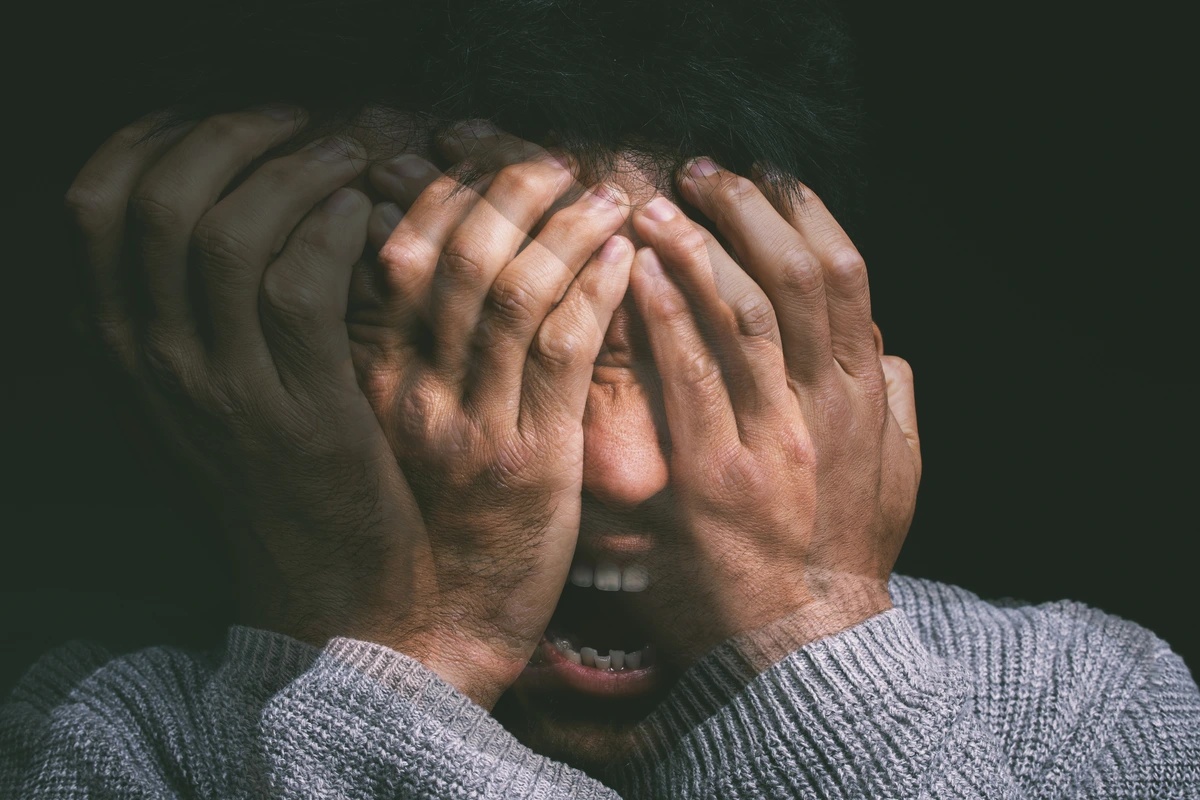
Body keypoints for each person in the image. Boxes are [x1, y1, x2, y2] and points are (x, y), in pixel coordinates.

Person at [2, 1, 1198, 797]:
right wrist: (411, 661)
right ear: (254, 386)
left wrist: (809, 631)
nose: (624, 468)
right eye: (466, 350)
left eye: (708, 349)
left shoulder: (1080, 703)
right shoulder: (110, 744)